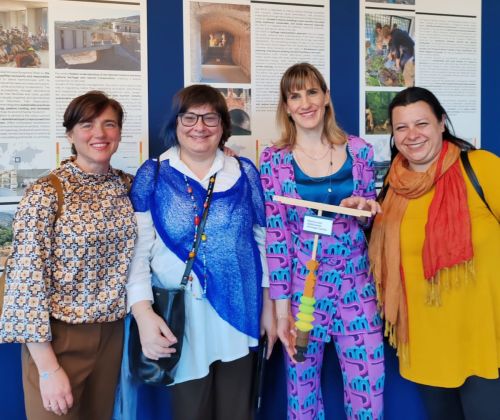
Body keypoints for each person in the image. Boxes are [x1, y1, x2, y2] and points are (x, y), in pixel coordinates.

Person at [124, 84, 276, 420]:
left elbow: (262, 241)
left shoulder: (243, 172)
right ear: (176, 123)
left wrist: (269, 307)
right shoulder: (154, 173)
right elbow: (137, 253)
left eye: (210, 118)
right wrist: (144, 315)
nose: (200, 126)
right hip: (182, 318)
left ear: (223, 125)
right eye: (190, 117)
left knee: (237, 412)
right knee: (191, 411)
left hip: (239, 314)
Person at [0, 91, 137, 419]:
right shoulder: (47, 192)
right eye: (87, 124)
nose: (99, 133)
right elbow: (25, 282)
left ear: (119, 132)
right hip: (57, 340)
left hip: (113, 335)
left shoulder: (128, 187)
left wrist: (222, 154)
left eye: (109, 124)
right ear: (70, 134)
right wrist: (47, 368)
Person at [260, 62, 384, 420]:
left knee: (369, 391)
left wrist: (364, 211)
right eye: (295, 96)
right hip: (303, 290)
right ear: (286, 106)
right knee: (302, 393)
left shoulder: (360, 151)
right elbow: (277, 238)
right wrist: (281, 312)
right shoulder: (273, 160)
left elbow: (367, 217)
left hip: (355, 285)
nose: (305, 103)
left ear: (326, 97)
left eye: (312, 92)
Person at [369, 87, 500, 420]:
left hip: (484, 341)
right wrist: (363, 219)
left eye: (422, 123)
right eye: (401, 127)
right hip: (426, 346)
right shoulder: (394, 186)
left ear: (441, 123)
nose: (412, 135)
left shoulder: (481, 168)